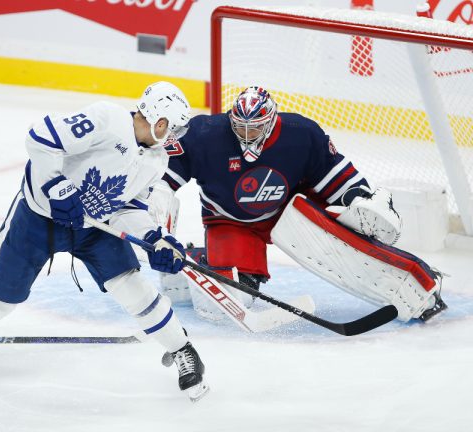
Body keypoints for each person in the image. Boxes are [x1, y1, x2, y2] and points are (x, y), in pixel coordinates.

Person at [0, 82, 210, 402]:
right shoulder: (108, 119)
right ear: (160, 121)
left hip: (94, 230)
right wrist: (56, 185)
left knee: (132, 286)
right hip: (38, 220)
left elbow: (128, 206)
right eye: (174, 127)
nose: (175, 136)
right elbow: (40, 137)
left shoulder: (156, 160)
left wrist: (154, 238)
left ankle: (182, 349)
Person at [152, 86, 447, 324]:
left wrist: (358, 199)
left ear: (269, 122)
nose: (245, 134)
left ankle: (419, 281)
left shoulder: (300, 133)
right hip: (231, 221)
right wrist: (157, 217)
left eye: (253, 128)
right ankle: (197, 259)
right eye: (239, 126)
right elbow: (163, 179)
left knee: (351, 240)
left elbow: (332, 174)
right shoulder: (204, 134)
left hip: (290, 211)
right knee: (226, 304)